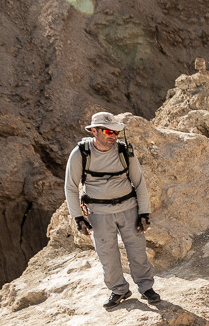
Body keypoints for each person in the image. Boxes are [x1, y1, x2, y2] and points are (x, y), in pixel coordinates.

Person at [64, 112, 160, 308]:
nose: (113, 136)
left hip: (129, 209)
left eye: (116, 132)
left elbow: (139, 183)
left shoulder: (125, 151)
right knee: (107, 255)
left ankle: (146, 288)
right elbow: (71, 187)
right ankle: (119, 290)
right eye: (108, 131)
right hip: (98, 213)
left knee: (137, 251)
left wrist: (144, 213)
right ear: (94, 131)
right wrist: (78, 218)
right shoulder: (80, 153)